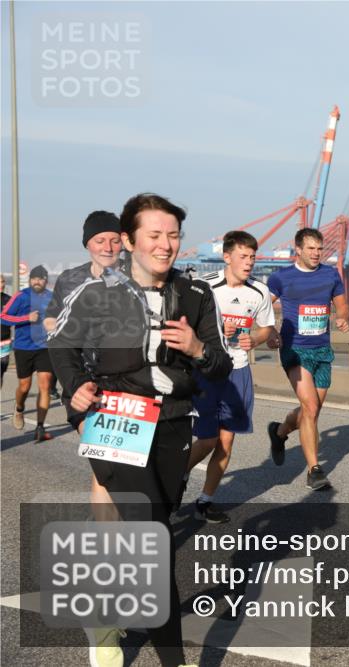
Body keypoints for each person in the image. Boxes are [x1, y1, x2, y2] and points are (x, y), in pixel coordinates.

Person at [48, 192, 230, 667]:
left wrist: (195, 349)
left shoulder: (196, 295)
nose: (166, 244)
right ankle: (168, 657)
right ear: (130, 241)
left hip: (172, 424)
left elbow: (220, 366)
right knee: (151, 539)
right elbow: (62, 345)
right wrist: (76, 389)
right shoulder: (98, 293)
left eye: (173, 235)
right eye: (155, 235)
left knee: (146, 527)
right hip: (115, 419)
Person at [186, 231, 275, 523]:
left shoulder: (259, 292)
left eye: (252, 257)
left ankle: (205, 501)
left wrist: (256, 339)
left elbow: (266, 329)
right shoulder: (203, 286)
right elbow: (182, 327)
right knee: (207, 440)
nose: (249, 262)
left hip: (238, 372)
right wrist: (209, 332)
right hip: (205, 372)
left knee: (226, 442)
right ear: (227, 257)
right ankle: (175, 476)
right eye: (243, 256)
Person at [44, 210, 124, 510]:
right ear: (87, 244)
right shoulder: (70, 279)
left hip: (129, 384)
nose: (108, 247)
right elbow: (53, 323)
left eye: (115, 240)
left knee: (127, 466)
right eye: (100, 240)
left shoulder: (136, 278)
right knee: (105, 462)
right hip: (85, 382)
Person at [266, 227, 349, 491]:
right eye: (311, 248)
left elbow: (342, 304)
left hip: (322, 351)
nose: (316, 253)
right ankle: (314, 471)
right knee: (311, 408)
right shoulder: (281, 277)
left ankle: (279, 432)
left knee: (309, 411)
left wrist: (342, 317)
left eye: (319, 249)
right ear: (298, 249)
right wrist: (269, 330)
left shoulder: (330, 274)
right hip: (294, 350)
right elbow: (262, 305)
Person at [1, 265, 55, 440]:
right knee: (24, 386)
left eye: (40, 278)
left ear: (46, 280)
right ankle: (19, 408)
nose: (37, 281)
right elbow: (3, 317)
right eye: (34, 278)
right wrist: (25, 318)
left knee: (45, 384)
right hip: (24, 347)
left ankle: (40, 427)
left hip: (44, 348)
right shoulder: (21, 296)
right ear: (30, 280)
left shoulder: (51, 297)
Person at [1, 274, 10, 384]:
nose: (1, 285)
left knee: (1, 373)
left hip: (4, 343)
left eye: (2, 282)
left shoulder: (9, 300)